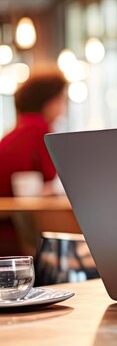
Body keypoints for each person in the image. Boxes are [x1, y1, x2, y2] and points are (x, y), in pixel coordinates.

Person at [0, 69, 67, 254]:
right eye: (62, 100)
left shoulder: (12, 134)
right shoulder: (40, 132)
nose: (64, 107)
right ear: (50, 102)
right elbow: (54, 177)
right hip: (20, 237)